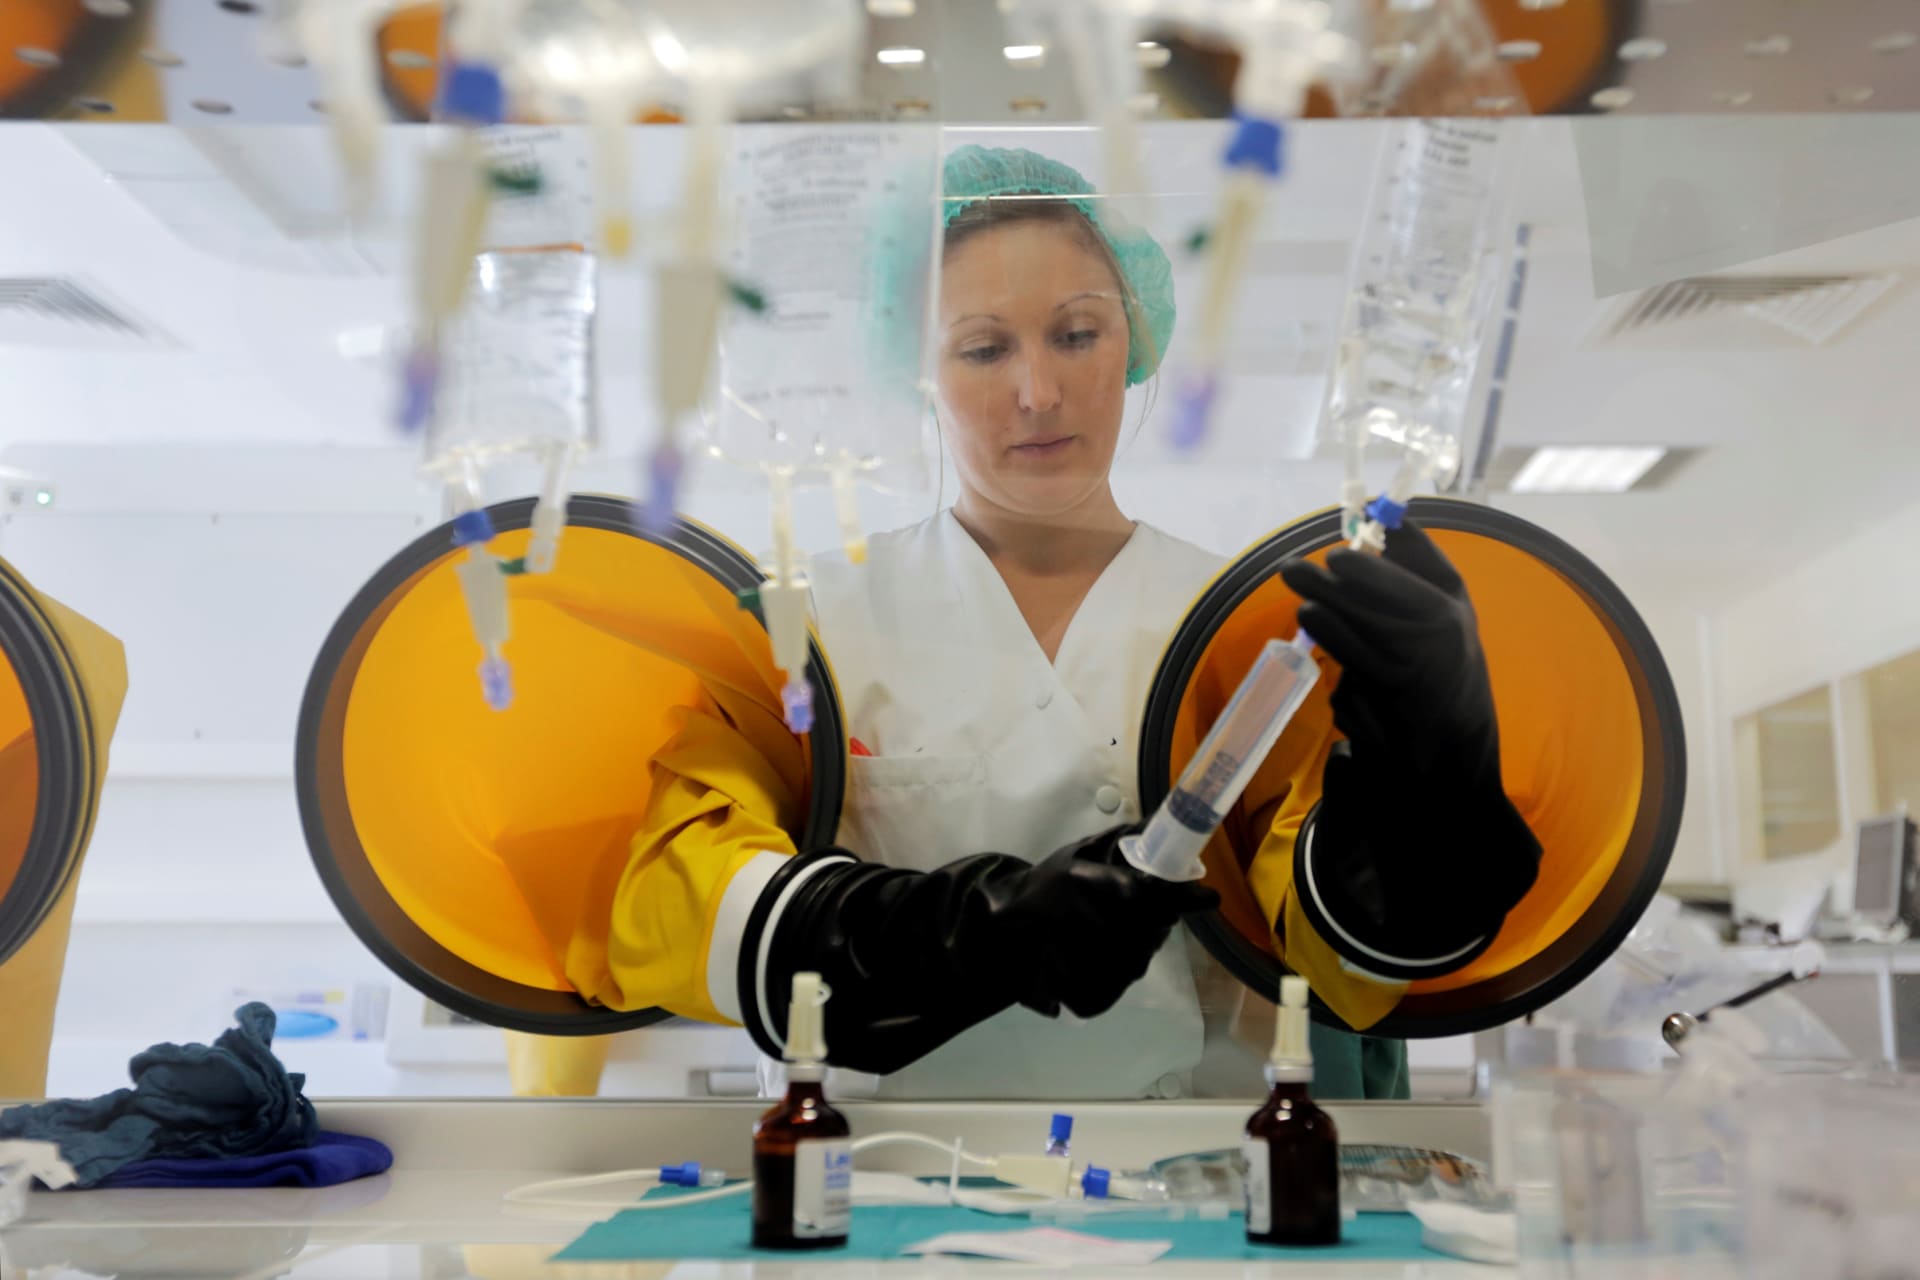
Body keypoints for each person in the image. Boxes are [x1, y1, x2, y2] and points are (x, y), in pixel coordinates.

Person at [571, 145, 1541, 1100]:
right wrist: (977, 928)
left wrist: (1434, 787)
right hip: (879, 1206)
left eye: (1076, 334)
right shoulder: (809, 627)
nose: (1037, 391)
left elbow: (1347, 968)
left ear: (1135, 343)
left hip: (1183, 1202)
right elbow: (670, 902)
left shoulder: (1239, 630)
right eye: (984, 347)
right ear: (919, 373)